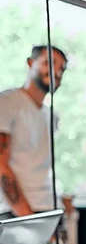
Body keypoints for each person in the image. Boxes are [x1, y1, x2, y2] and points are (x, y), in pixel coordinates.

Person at [0, 45, 68, 219]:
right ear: (31, 63)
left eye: (62, 68)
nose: (56, 72)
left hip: (49, 208)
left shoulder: (51, 116)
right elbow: (1, 164)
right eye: (50, 63)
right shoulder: (7, 102)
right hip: (16, 213)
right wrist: (27, 217)